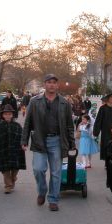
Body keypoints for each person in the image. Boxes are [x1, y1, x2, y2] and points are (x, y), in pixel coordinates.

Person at [21, 74, 75, 211]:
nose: (51, 85)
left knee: (56, 172)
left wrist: (72, 143)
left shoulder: (64, 103)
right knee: (38, 169)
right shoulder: (34, 101)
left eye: (54, 82)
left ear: (57, 85)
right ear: (45, 84)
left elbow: (69, 125)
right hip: (39, 139)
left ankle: (53, 199)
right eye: (49, 82)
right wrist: (24, 140)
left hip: (57, 140)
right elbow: (28, 122)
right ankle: (42, 191)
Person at [0, 105, 26, 194]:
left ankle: (13, 178)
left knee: (15, 168)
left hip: (15, 151)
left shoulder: (17, 126)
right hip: (3, 151)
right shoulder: (0, 126)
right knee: (5, 169)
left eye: (9, 114)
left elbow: (22, 136)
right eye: (6, 114)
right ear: (3, 115)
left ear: (12, 115)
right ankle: (7, 186)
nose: (8, 115)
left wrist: (23, 144)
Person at [93, 91, 112, 164]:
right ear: (108, 98)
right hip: (106, 131)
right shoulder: (103, 108)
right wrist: (96, 132)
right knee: (106, 146)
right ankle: (107, 162)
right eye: (111, 97)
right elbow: (98, 120)